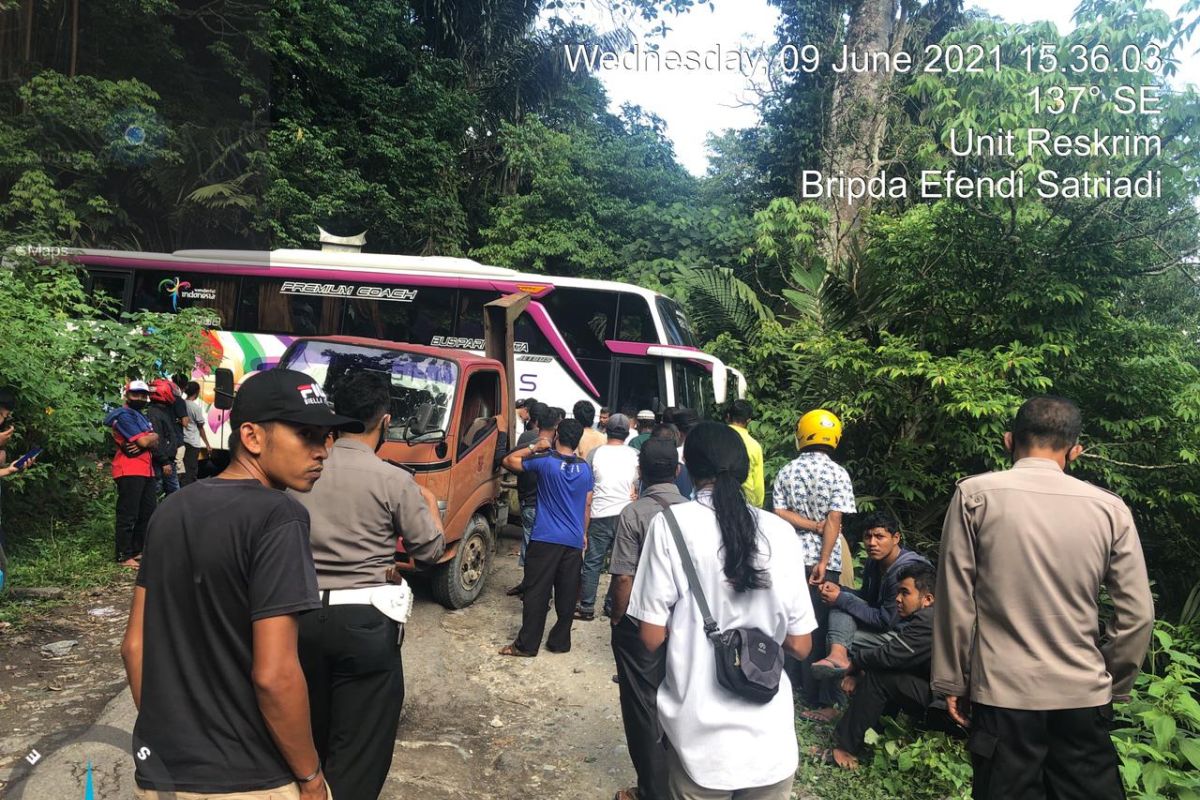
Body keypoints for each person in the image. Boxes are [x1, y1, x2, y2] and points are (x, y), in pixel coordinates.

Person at [121, 368, 364, 800]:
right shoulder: (278, 517)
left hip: (163, 775)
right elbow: (275, 674)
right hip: (252, 779)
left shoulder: (172, 509)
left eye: (326, 437)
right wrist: (310, 777)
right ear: (252, 437)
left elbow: (134, 647)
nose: (322, 452)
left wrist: (173, 739)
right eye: (306, 434)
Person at [933, 395, 1153, 800]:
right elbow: (1137, 615)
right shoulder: (1110, 509)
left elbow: (955, 599)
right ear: (1075, 451)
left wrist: (954, 679)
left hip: (1003, 695)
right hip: (1083, 696)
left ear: (1008, 440)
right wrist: (1110, 682)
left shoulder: (975, 496)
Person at [629, 422, 816, 799]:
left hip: (699, 743)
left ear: (689, 469)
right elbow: (801, 645)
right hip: (771, 747)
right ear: (746, 469)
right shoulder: (781, 533)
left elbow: (650, 637)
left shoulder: (670, 527)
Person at [290, 370, 445, 800]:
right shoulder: (393, 479)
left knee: (306, 732)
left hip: (295, 616)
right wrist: (429, 506)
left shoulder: (297, 472)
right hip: (364, 622)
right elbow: (429, 550)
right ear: (385, 421)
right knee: (359, 748)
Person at [607, 438, 685, 800]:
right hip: (683, 624)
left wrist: (618, 621)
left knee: (643, 708)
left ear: (641, 472)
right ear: (679, 472)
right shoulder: (693, 512)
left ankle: (651, 791)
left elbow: (623, 577)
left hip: (641, 624)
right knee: (678, 701)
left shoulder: (634, 513)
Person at [771, 408, 857, 717]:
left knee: (792, 620)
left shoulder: (786, 471)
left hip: (790, 556)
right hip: (827, 560)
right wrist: (823, 560)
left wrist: (808, 525)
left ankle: (791, 683)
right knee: (820, 625)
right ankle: (821, 697)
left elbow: (779, 512)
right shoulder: (838, 474)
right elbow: (835, 518)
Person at [826, 562, 943, 770]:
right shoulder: (935, 617)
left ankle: (846, 748)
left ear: (927, 599)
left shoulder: (928, 620)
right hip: (940, 695)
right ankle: (872, 739)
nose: (898, 599)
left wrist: (855, 663)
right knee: (886, 672)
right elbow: (894, 657)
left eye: (905, 593)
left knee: (880, 677)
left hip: (945, 704)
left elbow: (889, 655)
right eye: (898, 592)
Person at [499, 418, 593, 656]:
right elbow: (587, 504)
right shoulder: (585, 468)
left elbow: (509, 460)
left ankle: (527, 645)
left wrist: (534, 446)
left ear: (557, 436)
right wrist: (583, 533)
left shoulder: (545, 461)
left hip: (545, 538)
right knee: (567, 595)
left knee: (536, 593)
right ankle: (560, 642)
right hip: (572, 540)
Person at [810, 511, 929, 680]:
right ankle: (838, 658)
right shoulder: (874, 562)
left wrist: (841, 598)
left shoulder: (905, 571)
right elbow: (866, 598)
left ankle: (832, 701)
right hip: (885, 625)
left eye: (880, 537)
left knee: (837, 637)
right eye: (868, 537)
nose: (872, 543)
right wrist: (839, 590)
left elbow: (886, 621)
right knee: (839, 608)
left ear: (896, 538)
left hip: (906, 637)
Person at [576, 413, 638, 621]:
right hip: (626, 516)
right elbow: (638, 486)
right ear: (627, 433)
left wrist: (583, 527)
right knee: (620, 564)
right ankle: (611, 605)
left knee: (593, 562)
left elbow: (587, 491)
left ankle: (586, 606)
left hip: (599, 514)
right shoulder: (635, 454)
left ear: (607, 430)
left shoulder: (595, 454)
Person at [105, 381, 159, 567]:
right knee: (128, 513)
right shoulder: (124, 416)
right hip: (128, 469)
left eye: (143, 395)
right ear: (127, 395)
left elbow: (153, 439)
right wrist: (151, 437)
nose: (140, 399)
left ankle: (137, 550)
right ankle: (123, 554)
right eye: (136, 395)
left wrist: (152, 438)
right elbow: (145, 441)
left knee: (147, 511)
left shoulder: (140, 416)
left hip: (146, 469)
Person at [507, 401, 548, 595]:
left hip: (527, 499)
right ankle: (535, 588)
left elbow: (511, 461)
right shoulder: (553, 444)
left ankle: (528, 586)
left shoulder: (526, 438)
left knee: (528, 543)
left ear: (532, 417)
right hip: (543, 502)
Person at [726, 399, 764, 507]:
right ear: (748, 421)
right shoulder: (755, 446)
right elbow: (758, 485)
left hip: (720, 500)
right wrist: (758, 506)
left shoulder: (717, 439)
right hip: (747, 503)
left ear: (728, 416)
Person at [147, 379, 182, 496]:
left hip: (166, 459)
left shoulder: (162, 411)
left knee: (170, 491)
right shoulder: (155, 413)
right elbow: (157, 440)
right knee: (165, 491)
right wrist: (164, 461)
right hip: (162, 460)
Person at [179, 381, 211, 486]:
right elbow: (200, 428)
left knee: (181, 471)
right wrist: (207, 444)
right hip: (192, 443)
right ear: (197, 393)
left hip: (181, 441)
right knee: (191, 472)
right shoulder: (195, 408)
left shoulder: (181, 404)